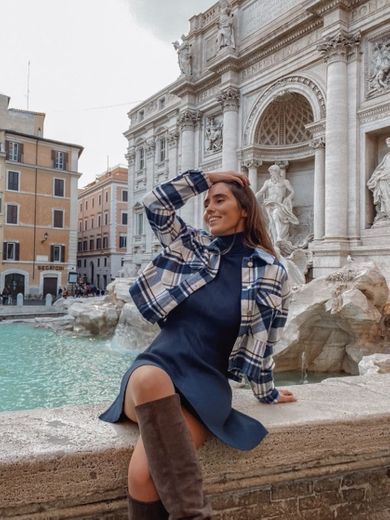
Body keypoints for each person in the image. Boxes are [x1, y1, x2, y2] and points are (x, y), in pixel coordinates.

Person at [99, 169, 296, 520]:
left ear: (245, 209)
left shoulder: (272, 271)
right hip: (156, 366)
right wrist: (208, 178)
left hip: (206, 386)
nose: (209, 209)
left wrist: (266, 391)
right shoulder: (191, 247)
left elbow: (268, 338)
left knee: (143, 477)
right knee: (150, 380)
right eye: (207, 203)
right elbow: (155, 205)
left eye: (220, 200)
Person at [256, 164, 299, 244]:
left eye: (272, 172)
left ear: (277, 172)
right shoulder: (268, 182)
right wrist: (253, 198)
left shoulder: (285, 181)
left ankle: (280, 237)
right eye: (270, 173)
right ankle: (274, 241)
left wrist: (288, 198)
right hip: (269, 204)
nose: (271, 174)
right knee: (271, 222)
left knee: (276, 215)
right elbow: (261, 192)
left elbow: (292, 192)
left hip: (279, 204)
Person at [367, 137, 390, 222]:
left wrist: (382, 175)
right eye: (387, 144)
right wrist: (376, 176)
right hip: (384, 180)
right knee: (383, 197)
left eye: (389, 143)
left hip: (386, 178)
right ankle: (386, 215)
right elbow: (381, 168)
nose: (388, 145)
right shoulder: (387, 156)